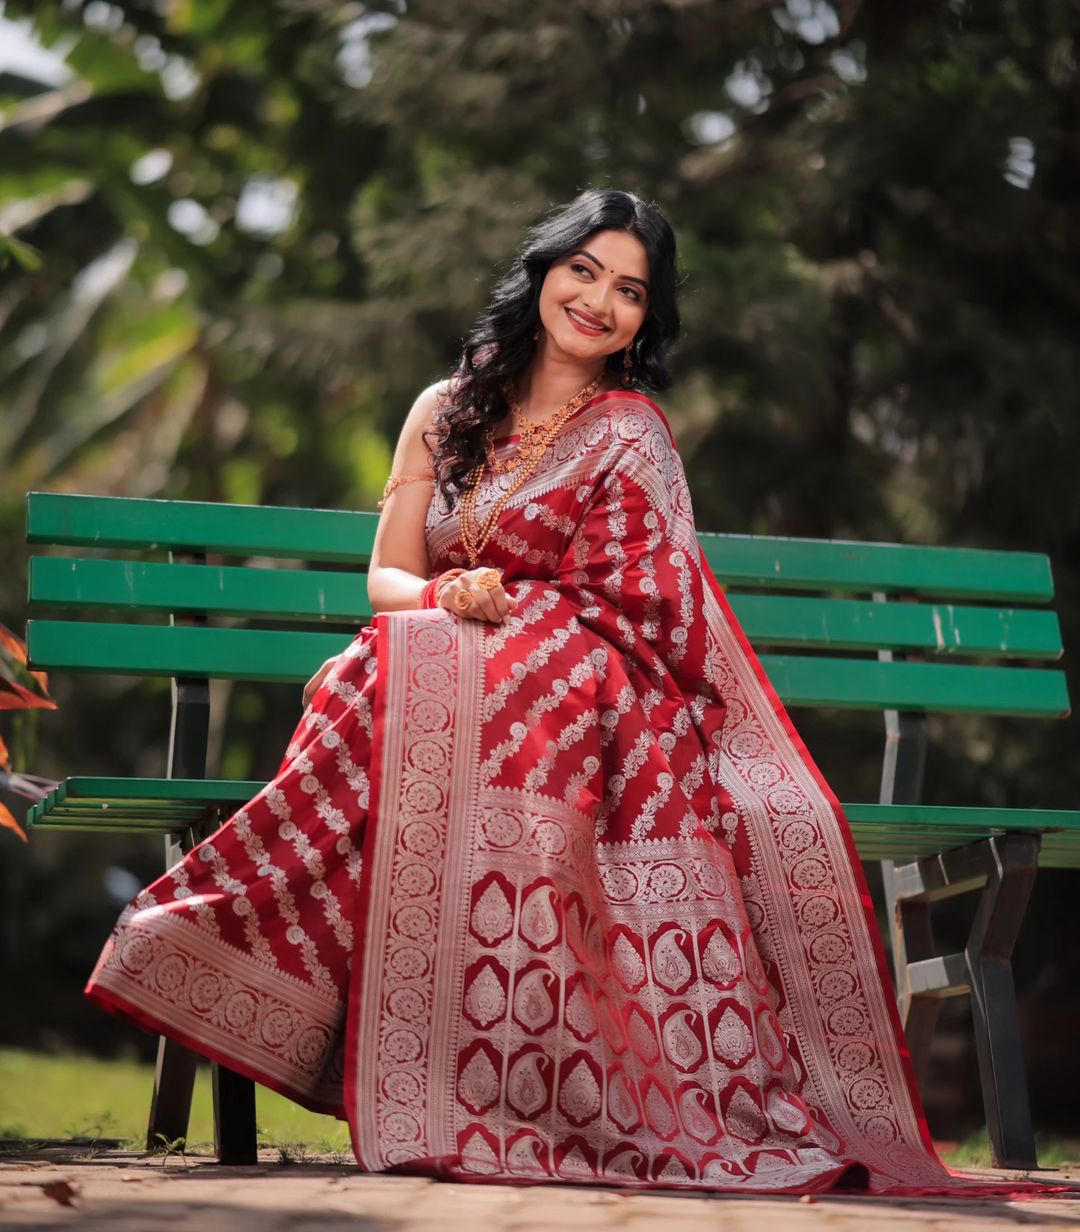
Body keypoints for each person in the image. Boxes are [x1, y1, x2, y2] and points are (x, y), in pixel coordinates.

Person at [83, 190, 1021, 1195]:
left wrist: (511, 613)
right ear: (543, 271)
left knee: (407, 671)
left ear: (643, 324)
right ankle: (272, 971)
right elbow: (388, 579)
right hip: (450, 654)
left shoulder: (631, 434)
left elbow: (649, 603)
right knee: (381, 666)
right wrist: (451, 597)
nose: (599, 300)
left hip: (593, 688)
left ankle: (441, 1049)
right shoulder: (441, 411)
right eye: (585, 270)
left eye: (629, 291)